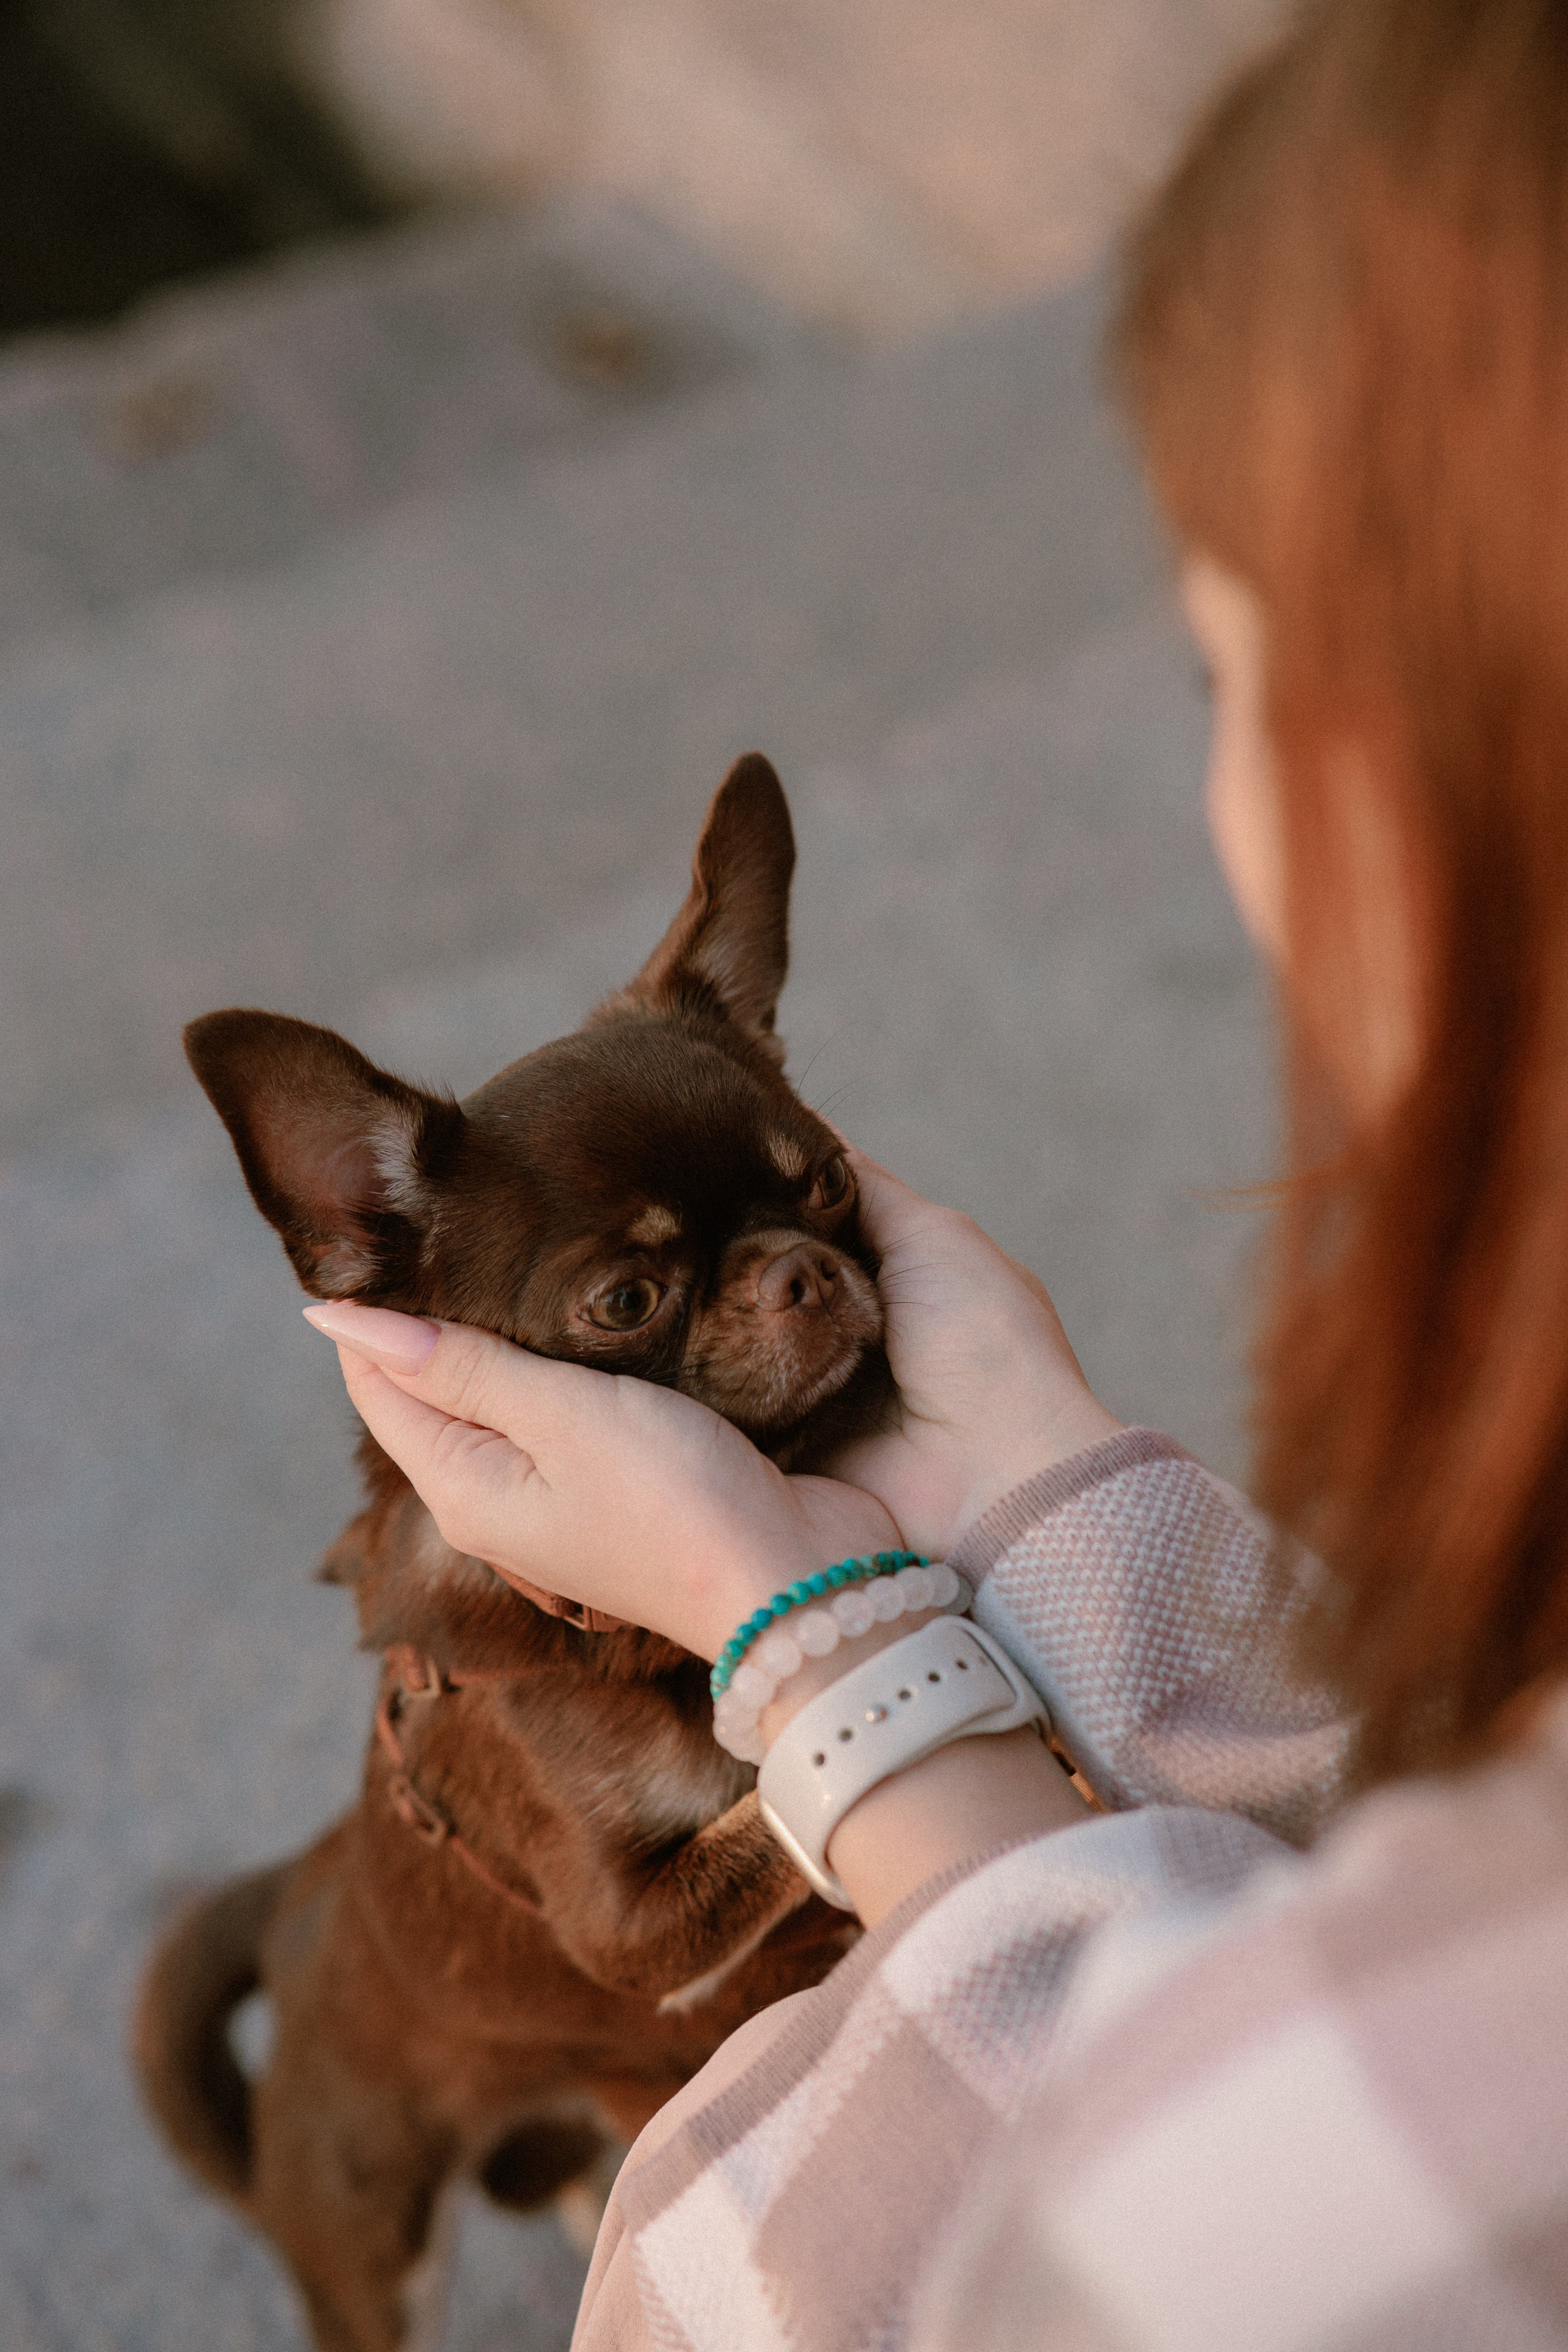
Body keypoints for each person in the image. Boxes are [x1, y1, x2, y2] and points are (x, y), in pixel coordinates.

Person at [298, 2, 1568, 2343]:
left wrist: (824, 1657)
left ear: (1429, 776)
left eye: (1226, 678)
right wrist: (1042, 1482)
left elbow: (839, 2282)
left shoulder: (1442, 2137)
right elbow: (1389, 1863)